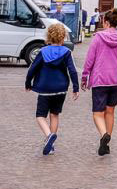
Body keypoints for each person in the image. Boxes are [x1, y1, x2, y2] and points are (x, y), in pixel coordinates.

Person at [81, 8, 117, 156]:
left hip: (100, 79)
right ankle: (106, 142)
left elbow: (89, 60)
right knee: (110, 111)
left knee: (98, 113)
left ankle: (104, 134)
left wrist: (85, 76)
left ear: (105, 22)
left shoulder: (98, 38)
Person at [26, 23, 80, 155]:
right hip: (61, 88)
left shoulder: (43, 52)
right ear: (63, 37)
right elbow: (72, 71)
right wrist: (75, 87)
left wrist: (28, 83)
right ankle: (51, 144)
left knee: (40, 116)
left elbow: (32, 68)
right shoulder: (67, 52)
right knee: (54, 115)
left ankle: (49, 135)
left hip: (45, 88)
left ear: (49, 36)